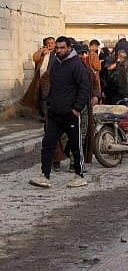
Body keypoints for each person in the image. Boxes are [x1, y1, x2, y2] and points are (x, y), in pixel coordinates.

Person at [29, 36, 90, 188]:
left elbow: (84, 87)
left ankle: (79, 175)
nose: (59, 50)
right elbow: (51, 83)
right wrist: (48, 103)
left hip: (71, 113)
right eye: (57, 48)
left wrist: (77, 109)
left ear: (69, 48)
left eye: (62, 48)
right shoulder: (55, 63)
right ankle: (45, 175)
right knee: (48, 144)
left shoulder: (77, 64)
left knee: (76, 146)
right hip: (54, 112)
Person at [22, 36, 56, 121]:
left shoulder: (57, 53)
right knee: (41, 97)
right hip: (40, 78)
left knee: (47, 96)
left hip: (52, 79)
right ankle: (44, 114)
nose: (50, 45)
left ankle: (47, 116)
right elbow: (35, 58)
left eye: (52, 43)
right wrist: (41, 51)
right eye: (48, 43)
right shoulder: (42, 52)